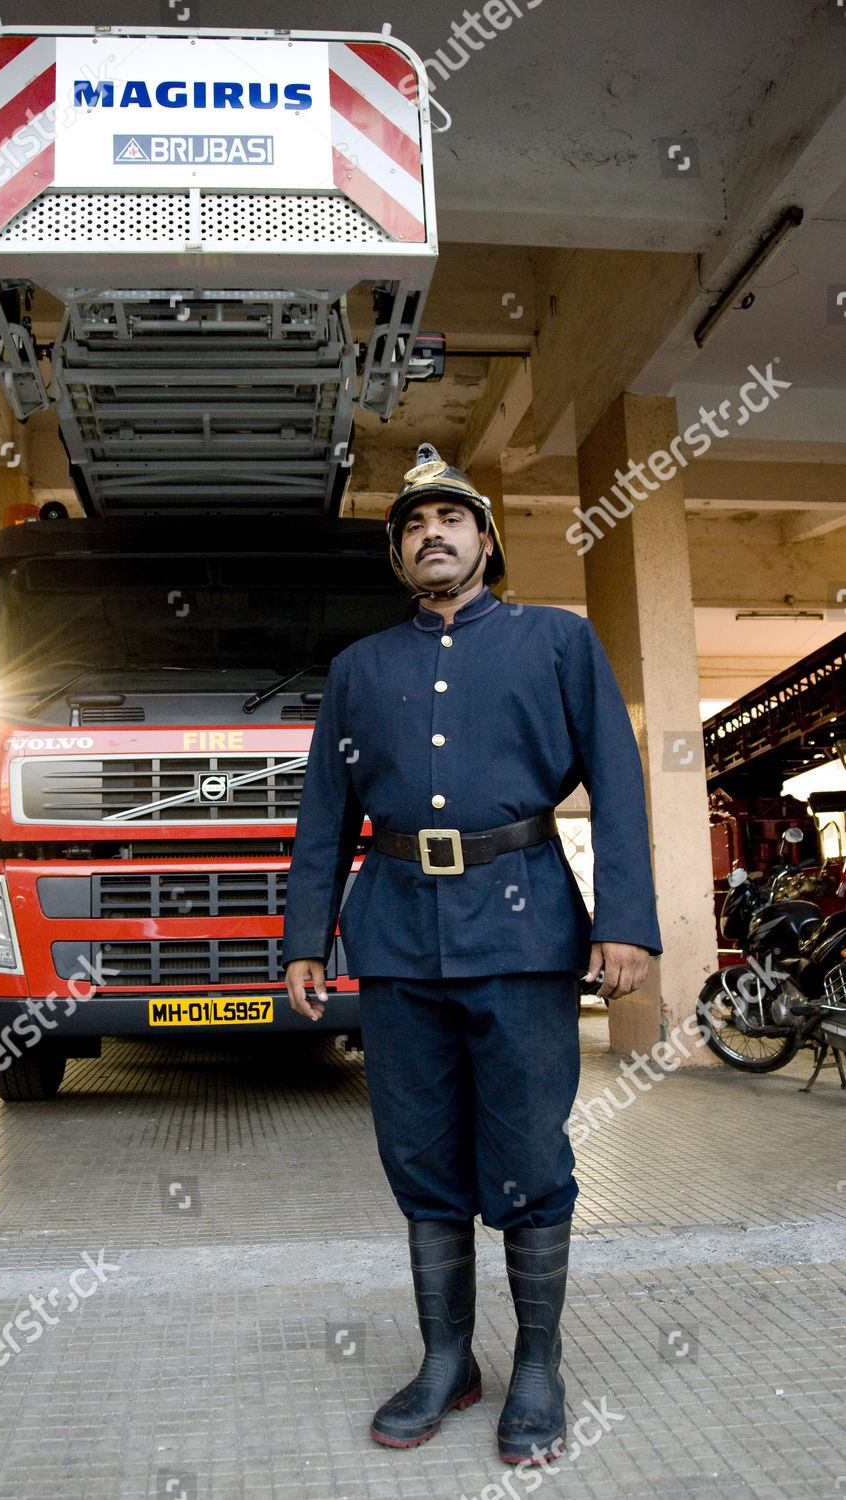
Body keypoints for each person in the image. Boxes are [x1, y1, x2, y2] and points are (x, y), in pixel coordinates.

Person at [282, 444, 661, 1466]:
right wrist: (302, 939)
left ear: (484, 542)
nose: (429, 535)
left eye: (448, 520)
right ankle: (447, 1359)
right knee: (418, 1159)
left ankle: (536, 1363)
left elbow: (618, 788)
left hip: (524, 926)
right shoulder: (360, 670)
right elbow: (324, 815)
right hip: (397, 935)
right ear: (400, 556)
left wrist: (623, 922)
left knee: (531, 1159)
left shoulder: (556, 643)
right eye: (411, 526)